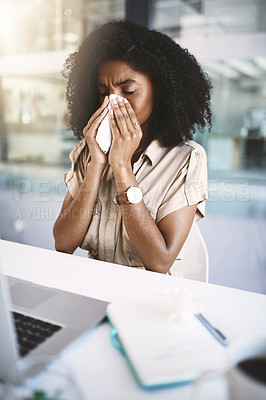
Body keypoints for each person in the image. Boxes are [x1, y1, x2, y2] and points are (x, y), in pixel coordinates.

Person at [53, 19, 212, 274]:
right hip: (93, 284)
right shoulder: (89, 150)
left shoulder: (187, 159)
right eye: (104, 92)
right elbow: (63, 243)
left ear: (158, 92)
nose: (113, 102)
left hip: (150, 297)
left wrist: (122, 167)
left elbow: (160, 262)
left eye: (128, 91)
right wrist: (97, 165)